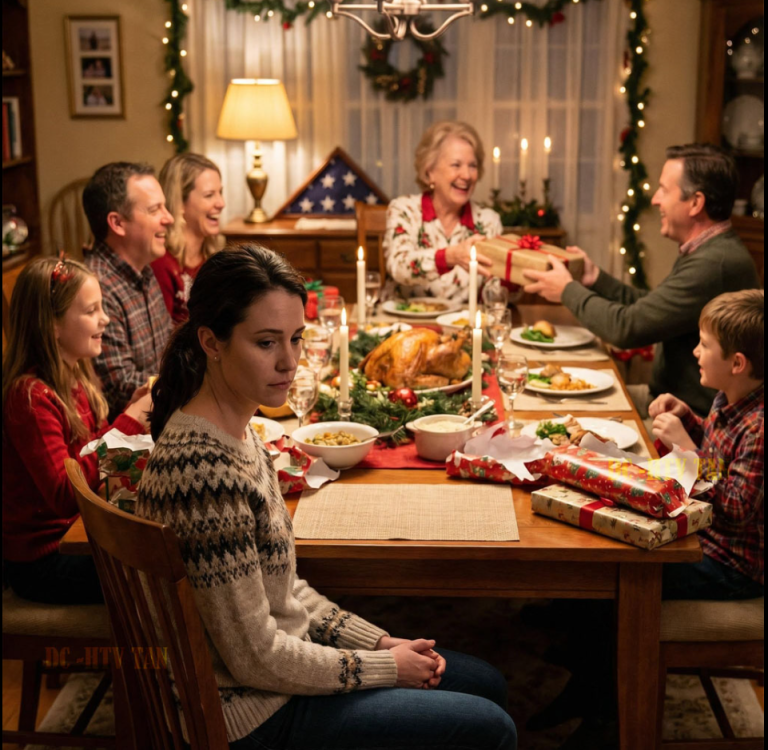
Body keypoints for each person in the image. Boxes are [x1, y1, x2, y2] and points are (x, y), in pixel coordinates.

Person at [137, 244, 517, 750]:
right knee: (491, 727)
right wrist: (384, 667)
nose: (289, 361)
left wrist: (378, 642)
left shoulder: (240, 433)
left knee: (487, 683)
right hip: (251, 715)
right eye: (266, 342)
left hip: (279, 678)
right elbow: (255, 658)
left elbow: (283, 589)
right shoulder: (203, 473)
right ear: (211, 342)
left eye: (296, 338)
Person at [523, 143, 760, 418]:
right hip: (666, 399)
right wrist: (595, 279)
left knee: (558, 414)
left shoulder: (714, 264)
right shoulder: (708, 250)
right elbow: (649, 307)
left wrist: (567, 290)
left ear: (695, 203)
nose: (655, 199)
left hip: (689, 417)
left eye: (664, 190)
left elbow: (627, 328)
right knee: (550, 398)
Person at [2, 258, 151, 604]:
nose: (105, 319)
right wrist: (128, 423)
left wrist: (125, 419)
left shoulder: (73, 378)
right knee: (162, 566)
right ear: (52, 324)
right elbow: (65, 494)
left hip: (80, 532)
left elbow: (87, 456)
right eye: (91, 311)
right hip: (44, 560)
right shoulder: (29, 397)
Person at [651, 289, 764, 601]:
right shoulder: (728, 395)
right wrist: (687, 419)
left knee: (633, 566)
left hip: (733, 564)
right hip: (701, 530)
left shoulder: (759, 429)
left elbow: (737, 508)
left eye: (704, 344)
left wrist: (687, 451)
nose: (695, 351)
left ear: (737, 363)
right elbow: (720, 453)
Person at [82, 161, 173, 419]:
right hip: (128, 433)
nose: (169, 218)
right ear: (117, 223)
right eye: (155, 210)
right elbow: (122, 389)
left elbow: (170, 349)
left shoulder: (143, 268)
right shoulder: (96, 286)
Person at [382, 120, 502, 305]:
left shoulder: (488, 221)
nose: (467, 175)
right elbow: (399, 267)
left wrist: (514, 278)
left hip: (461, 322)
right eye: (456, 165)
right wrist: (450, 257)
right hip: (404, 320)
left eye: (473, 165)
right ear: (430, 172)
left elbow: (495, 292)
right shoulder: (404, 209)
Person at [151, 153, 225, 324]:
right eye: (209, 195)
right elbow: (162, 335)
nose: (221, 203)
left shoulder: (214, 258)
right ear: (179, 203)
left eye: (220, 193)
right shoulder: (161, 263)